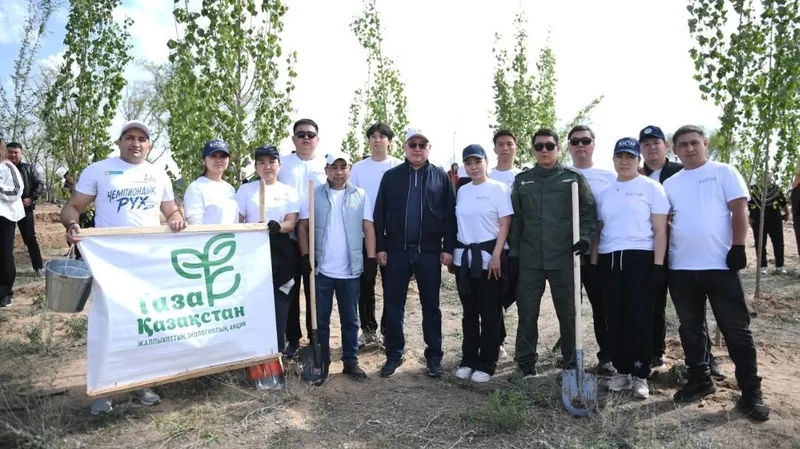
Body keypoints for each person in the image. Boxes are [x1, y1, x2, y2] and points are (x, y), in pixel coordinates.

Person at [60, 120, 187, 415]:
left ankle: (141, 381)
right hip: (109, 264)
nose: (136, 143)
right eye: (129, 138)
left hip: (147, 263)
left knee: (145, 322)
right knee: (108, 324)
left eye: (142, 139)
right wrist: (72, 224)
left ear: (150, 145)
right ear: (119, 142)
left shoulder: (158, 174)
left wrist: (176, 219)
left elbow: (171, 210)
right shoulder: (99, 170)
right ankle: (104, 389)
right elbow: (72, 207)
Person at [664, 125, 769, 421]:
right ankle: (700, 379)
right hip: (682, 268)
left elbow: (739, 210)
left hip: (721, 266)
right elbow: (665, 220)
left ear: (705, 143)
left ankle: (750, 391)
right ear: (675, 149)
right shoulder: (671, 183)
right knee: (690, 326)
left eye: (694, 143)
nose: (689, 149)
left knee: (736, 329)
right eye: (682, 145)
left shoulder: (725, 172)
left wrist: (739, 246)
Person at [509, 128, 596, 377]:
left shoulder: (573, 178)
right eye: (539, 147)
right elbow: (516, 220)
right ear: (533, 150)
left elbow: (589, 214)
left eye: (549, 146)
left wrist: (586, 239)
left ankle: (571, 362)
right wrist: (514, 254)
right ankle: (525, 363)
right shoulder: (523, 181)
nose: (544, 150)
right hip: (530, 259)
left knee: (568, 313)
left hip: (565, 259)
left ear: (558, 148)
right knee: (527, 313)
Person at [640, 125, 724, 378]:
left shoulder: (681, 172)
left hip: (682, 251)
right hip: (650, 251)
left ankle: (707, 360)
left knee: (691, 312)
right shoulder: (636, 174)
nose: (651, 148)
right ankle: (655, 352)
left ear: (666, 147)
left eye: (656, 142)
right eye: (646, 144)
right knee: (653, 304)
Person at [373, 127, 456, 378]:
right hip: (397, 251)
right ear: (405, 148)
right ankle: (394, 354)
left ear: (429, 148)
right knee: (394, 305)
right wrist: (381, 246)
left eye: (422, 144)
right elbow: (379, 214)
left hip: (429, 253)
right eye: (413, 144)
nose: (417, 149)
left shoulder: (441, 177)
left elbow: (451, 216)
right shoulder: (391, 177)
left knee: (431, 306)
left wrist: (448, 248)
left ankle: (434, 357)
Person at [594, 138, 669, 399]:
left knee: (639, 317)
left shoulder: (651, 188)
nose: (624, 162)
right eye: (619, 157)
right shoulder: (606, 192)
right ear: (613, 159)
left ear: (638, 160)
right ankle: (622, 371)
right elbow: (600, 230)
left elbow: (660, 230)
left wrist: (658, 266)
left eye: (630, 157)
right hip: (610, 259)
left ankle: (639, 374)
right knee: (614, 317)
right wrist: (594, 261)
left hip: (641, 259)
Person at [297, 151, 376, 382]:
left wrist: (370, 259)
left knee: (350, 320)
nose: (339, 172)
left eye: (343, 167)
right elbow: (303, 227)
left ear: (349, 169)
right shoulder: (313, 195)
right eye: (334, 167)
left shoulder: (360, 195)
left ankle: (351, 361)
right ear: (326, 170)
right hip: (321, 270)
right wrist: (305, 257)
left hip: (350, 270)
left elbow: (368, 228)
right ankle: (321, 364)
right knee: (320, 320)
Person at [236, 145, 301, 390]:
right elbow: (239, 221)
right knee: (255, 303)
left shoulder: (288, 191)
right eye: (261, 162)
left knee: (280, 302)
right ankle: (255, 356)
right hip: (253, 249)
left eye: (272, 162)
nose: (267, 166)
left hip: (281, 250)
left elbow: (291, 222)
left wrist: (278, 226)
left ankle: (277, 353)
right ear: (255, 166)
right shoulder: (246, 190)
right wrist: (253, 230)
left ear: (279, 165)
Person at [453, 144, 512, 383]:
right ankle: (468, 358)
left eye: (478, 162)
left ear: (486, 162)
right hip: (465, 260)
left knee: (489, 313)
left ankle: (487, 362)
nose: (473, 167)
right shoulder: (462, 190)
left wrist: (497, 255)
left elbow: (505, 224)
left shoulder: (499, 189)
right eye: (469, 163)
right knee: (469, 313)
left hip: (490, 258)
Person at [567, 125, 617, 376]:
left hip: (599, 253)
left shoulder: (609, 176)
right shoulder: (562, 174)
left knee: (602, 306)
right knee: (568, 305)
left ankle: (606, 355)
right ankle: (569, 354)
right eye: (575, 141)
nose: (580, 146)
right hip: (568, 253)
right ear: (569, 146)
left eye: (585, 141)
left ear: (593, 145)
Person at [277, 119, 327, 358]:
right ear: (293, 139)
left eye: (310, 134)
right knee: (290, 289)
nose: (306, 138)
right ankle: (293, 339)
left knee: (314, 290)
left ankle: (314, 336)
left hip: (317, 235)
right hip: (286, 236)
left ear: (317, 139)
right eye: (300, 134)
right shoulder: (282, 164)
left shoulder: (325, 165)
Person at [349, 123, 401, 347]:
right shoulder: (358, 168)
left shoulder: (399, 166)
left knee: (392, 285)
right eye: (373, 136)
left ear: (390, 141)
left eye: (382, 136)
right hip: (363, 234)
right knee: (365, 284)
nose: (377, 140)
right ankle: (368, 330)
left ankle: (389, 331)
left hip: (392, 236)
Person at [488, 129, 520, 358]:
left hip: (519, 244)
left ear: (515, 147)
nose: (505, 148)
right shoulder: (487, 177)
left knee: (519, 293)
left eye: (509, 143)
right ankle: (498, 340)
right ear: (495, 148)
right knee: (495, 296)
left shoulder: (523, 176)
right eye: (501, 144)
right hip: (495, 245)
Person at [6, 142, 44, 277]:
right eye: (10, 152)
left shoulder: (29, 168)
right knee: (5, 241)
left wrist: (31, 198)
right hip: (6, 211)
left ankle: (38, 267)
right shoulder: (2, 168)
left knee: (30, 239)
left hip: (24, 209)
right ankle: (6, 272)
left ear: (21, 154)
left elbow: (39, 184)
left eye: (15, 152)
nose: (12, 155)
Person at [182, 139, 239, 225]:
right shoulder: (195, 188)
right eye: (213, 156)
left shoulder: (230, 189)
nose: (218, 160)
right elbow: (195, 225)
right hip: (209, 238)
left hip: (231, 237)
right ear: (204, 160)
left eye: (223, 156)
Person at [0, 136, 25, 308]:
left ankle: (5, 293)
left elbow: (16, 190)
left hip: (5, 217)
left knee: (5, 256)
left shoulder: (8, 167)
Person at [747, 177, 789, 275]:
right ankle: (762, 267)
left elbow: (783, 202)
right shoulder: (753, 190)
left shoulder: (776, 189)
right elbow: (746, 204)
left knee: (778, 243)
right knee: (760, 243)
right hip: (757, 221)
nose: (767, 178)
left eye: (769, 177)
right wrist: (748, 217)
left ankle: (780, 266)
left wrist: (787, 213)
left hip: (775, 220)